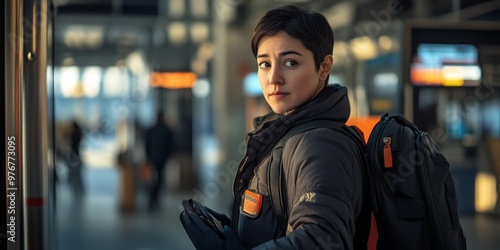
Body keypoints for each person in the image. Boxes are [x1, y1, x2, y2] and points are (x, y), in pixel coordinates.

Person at [181, 4, 371, 250]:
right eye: (265, 64)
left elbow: (322, 240)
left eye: (290, 63)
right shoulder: (285, 135)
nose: (274, 78)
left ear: (324, 67)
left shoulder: (321, 144)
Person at [145, 110, 174, 211]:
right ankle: (153, 198)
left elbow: (147, 145)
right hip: (161, 159)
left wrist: (148, 157)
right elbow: (171, 145)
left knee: (154, 180)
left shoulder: (151, 130)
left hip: (153, 158)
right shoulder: (166, 130)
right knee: (159, 179)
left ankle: (153, 198)